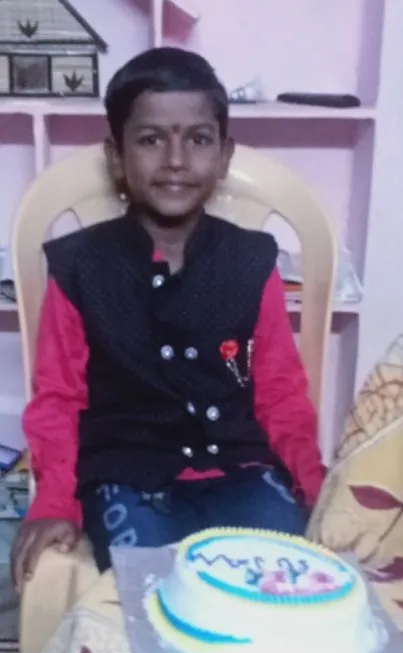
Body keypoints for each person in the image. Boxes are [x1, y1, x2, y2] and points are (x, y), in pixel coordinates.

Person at [10, 47, 324, 590]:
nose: (176, 159)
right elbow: (59, 397)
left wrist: (315, 484)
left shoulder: (252, 261)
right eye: (151, 139)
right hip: (127, 479)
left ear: (223, 156)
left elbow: (280, 393)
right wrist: (55, 499)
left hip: (243, 473)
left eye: (197, 139)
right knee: (160, 599)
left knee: (283, 590)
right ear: (117, 157)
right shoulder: (78, 265)